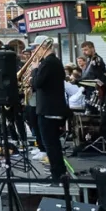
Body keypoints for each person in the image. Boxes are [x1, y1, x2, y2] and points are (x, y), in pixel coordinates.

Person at [30, 39, 67, 183]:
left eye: (36, 48)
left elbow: (37, 83)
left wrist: (35, 69)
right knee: (52, 144)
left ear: (44, 47)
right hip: (50, 108)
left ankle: (58, 175)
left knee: (51, 145)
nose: (35, 52)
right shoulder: (53, 62)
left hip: (49, 109)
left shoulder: (49, 63)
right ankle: (59, 173)